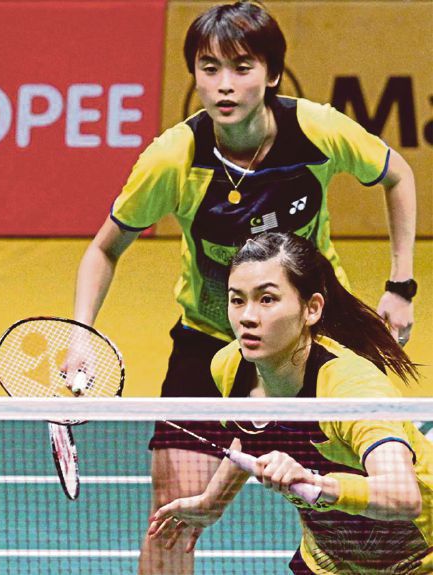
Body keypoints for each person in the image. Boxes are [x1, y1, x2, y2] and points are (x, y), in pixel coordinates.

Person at [67, 2, 418, 572]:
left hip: (311, 337)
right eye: (209, 69)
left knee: (360, 501)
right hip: (210, 340)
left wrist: (401, 284)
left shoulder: (317, 131)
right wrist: (81, 334)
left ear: (272, 73)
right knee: (174, 510)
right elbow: (104, 248)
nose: (224, 85)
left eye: (242, 67)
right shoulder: (172, 158)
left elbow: (396, 173)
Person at [147, 232, 432, 575]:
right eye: (237, 300)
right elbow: (250, 432)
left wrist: (315, 483)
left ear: (311, 308)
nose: (247, 317)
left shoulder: (351, 389)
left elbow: (403, 495)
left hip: (420, 559)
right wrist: (212, 503)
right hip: (332, 561)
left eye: (267, 299)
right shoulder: (230, 367)